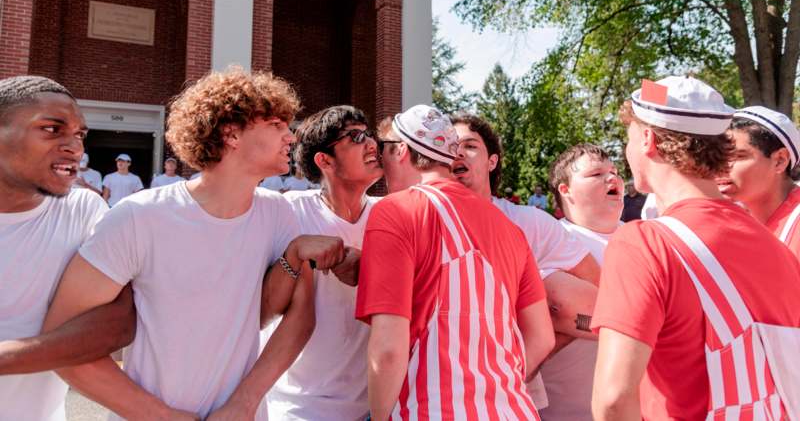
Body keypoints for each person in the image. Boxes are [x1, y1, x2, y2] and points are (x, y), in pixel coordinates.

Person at [41, 69, 346, 420]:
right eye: (277, 124)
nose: (291, 137)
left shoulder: (279, 214)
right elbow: (60, 339)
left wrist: (245, 403)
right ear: (231, 134)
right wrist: (160, 415)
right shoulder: (139, 218)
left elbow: (297, 318)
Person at [591, 76, 800, 419]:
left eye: (626, 139)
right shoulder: (776, 247)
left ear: (647, 139)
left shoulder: (645, 243)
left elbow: (613, 399)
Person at [357, 105, 554, 420]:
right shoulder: (510, 229)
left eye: (383, 151)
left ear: (402, 151)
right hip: (513, 410)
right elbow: (542, 337)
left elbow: (388, 350)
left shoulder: (396, 211)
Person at [0, 75, 135, 421]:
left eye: (79, 135)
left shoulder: (83, 210)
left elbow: (119, 322)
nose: (75, 147)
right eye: (51, 129)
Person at [448, 113, 600, 411]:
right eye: (450, 146)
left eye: (469, 145)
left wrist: (538, 346)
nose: (457, 152)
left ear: (492, 161)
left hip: (511, 394)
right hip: (442, 388)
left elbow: (598, 292)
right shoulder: (427, 219)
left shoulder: (529, 222)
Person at [266, 105, 382, 420]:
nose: (372, 144)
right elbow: (259, 308)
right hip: (297, 408)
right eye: (357, 136)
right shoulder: (286, 213)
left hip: (372, 407)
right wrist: (297, 254)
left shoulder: (390, 215)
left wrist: (367, 265)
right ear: (324, 160)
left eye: (369, 134)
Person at [543, 143, 623, 421]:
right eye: (596, 174)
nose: (612, 178)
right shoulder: (551, 242)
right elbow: (562, 310)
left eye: (614, 171)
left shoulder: (644, 236)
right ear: (566, 190)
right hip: (561, 413)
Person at [717, 106, 800, 260]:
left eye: (738, 156)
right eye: (719, 156)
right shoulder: (729, 222)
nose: (720, 167)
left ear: (780, 160)